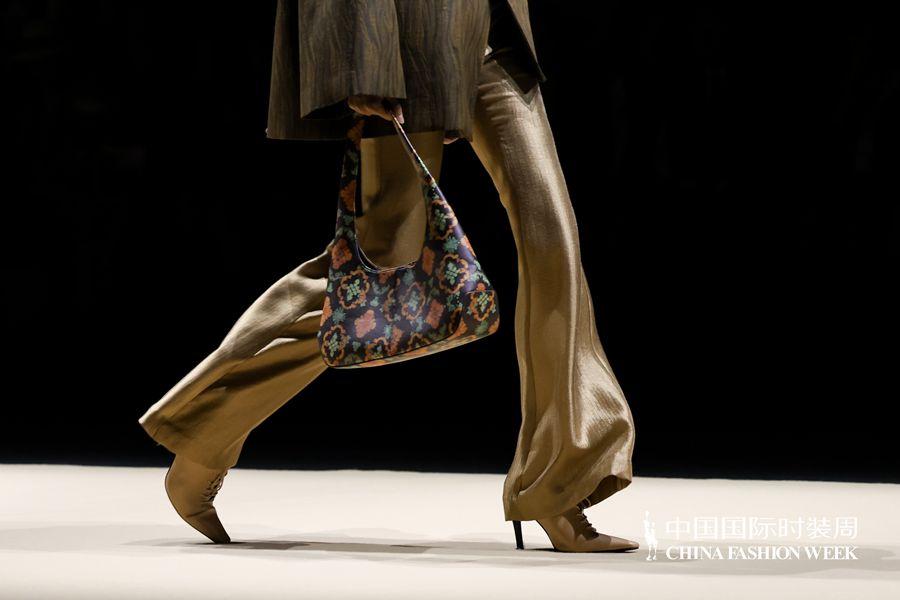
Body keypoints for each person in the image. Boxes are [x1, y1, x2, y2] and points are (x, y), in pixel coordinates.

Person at [139, 0, 638, 552]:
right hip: (406, 47)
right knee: (374, 266)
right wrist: (363, 63)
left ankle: (558, 485)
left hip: (492, 38)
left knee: (554, 243)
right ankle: (205, 429)